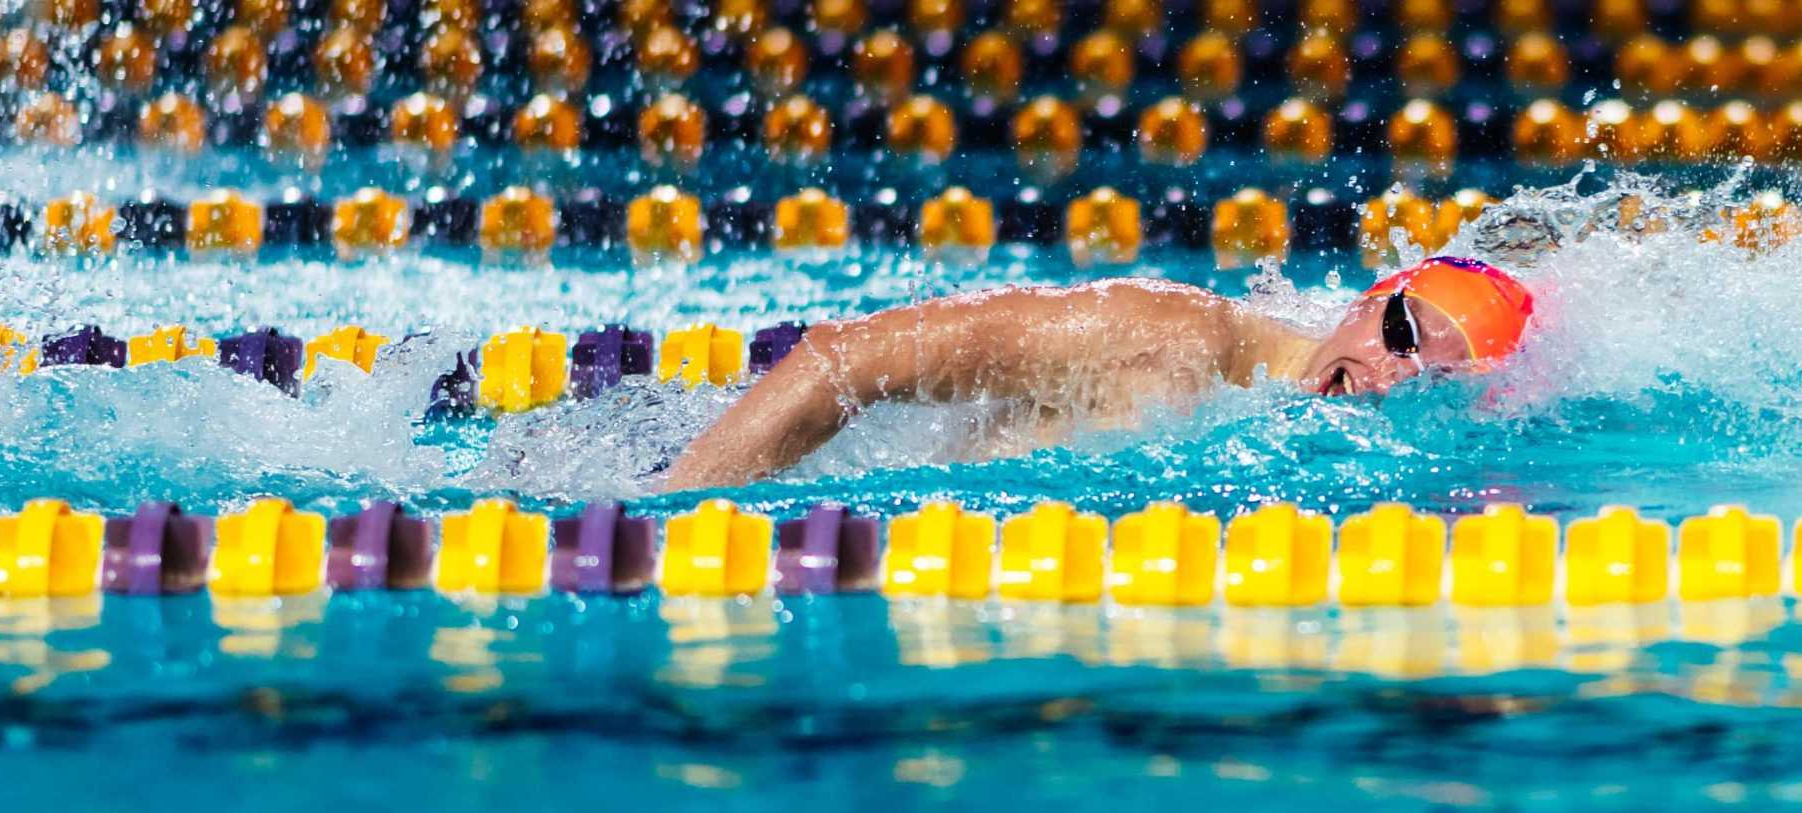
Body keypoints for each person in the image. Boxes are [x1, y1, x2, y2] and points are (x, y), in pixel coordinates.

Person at [658, 256, 1536, 491]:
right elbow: (842, 361)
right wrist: (670, 516)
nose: (1387, 375)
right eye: (1398, 329)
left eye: (1426, 376)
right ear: (1367, 296)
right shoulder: (1167, 338)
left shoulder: (1327, 465)